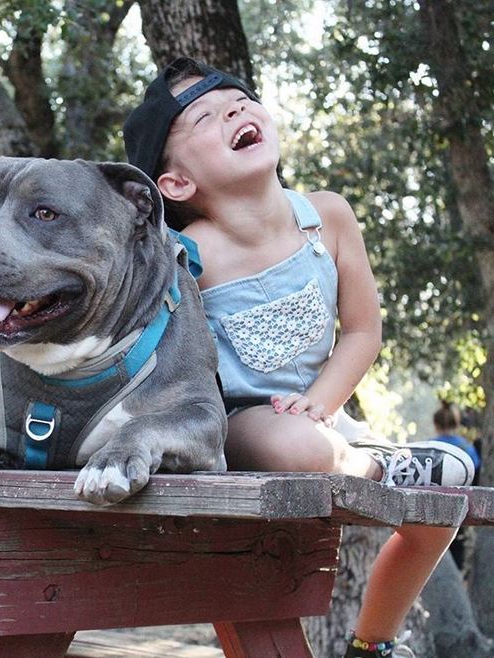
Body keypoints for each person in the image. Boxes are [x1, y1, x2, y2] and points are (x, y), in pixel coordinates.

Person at [123, 57, 476, 658]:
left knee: (444, 501)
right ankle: (381, 468)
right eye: (205, 116)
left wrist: (325, 400)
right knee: (297, 448)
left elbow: (363, 331)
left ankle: (374, 644)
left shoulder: (327, 217)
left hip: (319, 415)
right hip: (234, 422)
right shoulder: (186, 252)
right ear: (176, 184)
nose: (233, 109)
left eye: (238, 100)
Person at [428, 400, 481, 569]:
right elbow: (476, 470)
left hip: (434, 504)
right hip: (462, 504)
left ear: (436, 423)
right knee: (458, 545)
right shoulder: (466, 447)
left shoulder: (430, 446)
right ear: (456, 423)